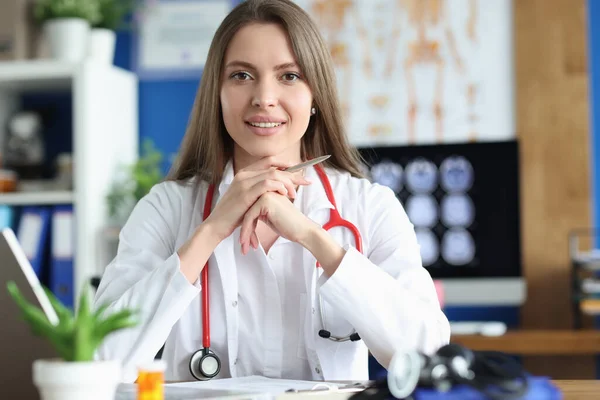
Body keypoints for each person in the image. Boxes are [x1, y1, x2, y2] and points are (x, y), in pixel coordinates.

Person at [94, 0, 450, 383]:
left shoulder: (369, 207)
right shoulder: (166, 209)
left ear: (316, 95)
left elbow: (428, 353)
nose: (264, 97)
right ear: (218, 92)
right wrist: (211, 231)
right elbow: (101, 360)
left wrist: (314, 239)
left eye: (289, 76)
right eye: (242, 76)